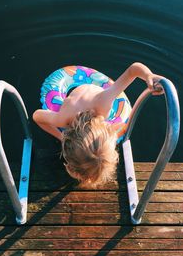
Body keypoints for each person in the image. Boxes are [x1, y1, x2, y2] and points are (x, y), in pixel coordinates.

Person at [32, 62, 164, 187]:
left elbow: (134, 70)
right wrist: (60, 137)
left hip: (92, 93)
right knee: (122, 129)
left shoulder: (105, 99)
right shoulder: (63, 118)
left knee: (120, 131)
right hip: (75, 95)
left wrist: (148, 76)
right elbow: (37, 116)